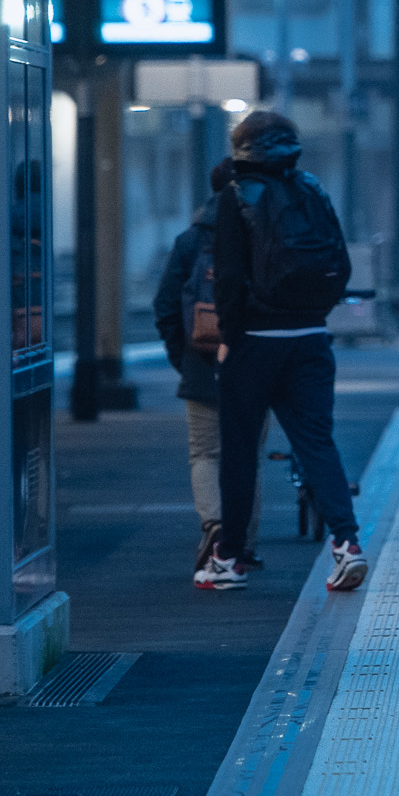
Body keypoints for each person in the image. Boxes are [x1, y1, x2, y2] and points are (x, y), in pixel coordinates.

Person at [197, 110, 368, 593]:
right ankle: (347, 542)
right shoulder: (312, 189)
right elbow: (341, 261)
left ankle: (228, 559)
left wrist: (230, 336)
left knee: (239, 453)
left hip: (254, 342)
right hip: (311, 338)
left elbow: (228, 278)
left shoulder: (236, 198)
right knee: (317, 443)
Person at [151, 161, 260, 572]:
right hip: (252, 361)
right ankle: (244, 542)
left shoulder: (189, 241)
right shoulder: (259, 233)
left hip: (200, 362)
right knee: (247, 451)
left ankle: (213, 523)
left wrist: (183, 358)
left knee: (204, 452)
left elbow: (164, 306)